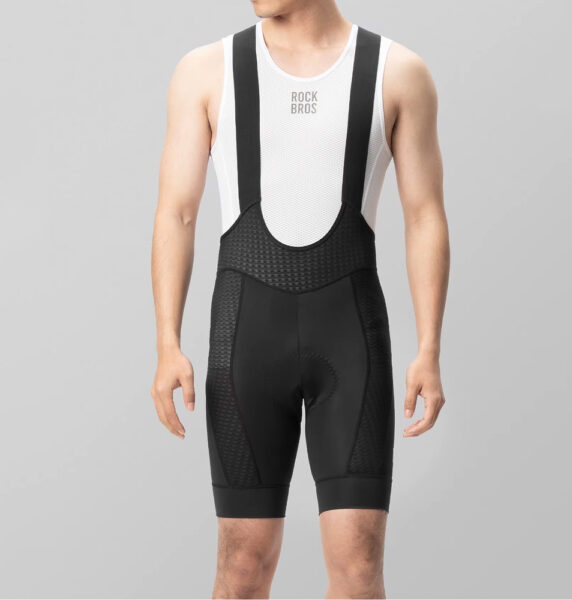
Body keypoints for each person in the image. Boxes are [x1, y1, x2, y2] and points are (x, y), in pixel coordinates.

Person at [151, 0, 449, 597]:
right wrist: (167, 343)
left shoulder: (396, 71)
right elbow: (177, 213)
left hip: (350, 339)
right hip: (245, 338)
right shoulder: (206, 70)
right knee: (242, 565)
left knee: (359, 566)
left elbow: (424, 216)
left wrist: (429, 349)